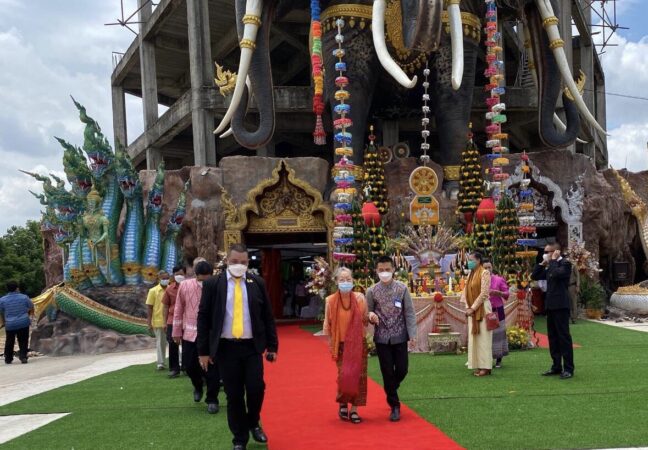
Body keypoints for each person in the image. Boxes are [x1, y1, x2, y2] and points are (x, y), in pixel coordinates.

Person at [197, 244, 278, 450]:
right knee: (233, 394)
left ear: (248, 262)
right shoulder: (213, 284)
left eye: (243, 262)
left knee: (256, 388)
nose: (238, 265)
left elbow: (267, 316)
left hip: (252, 346)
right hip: (226, 348)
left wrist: (272, 346)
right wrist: (204, 352)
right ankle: (239, 439)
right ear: (227, 261)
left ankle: (253, 422)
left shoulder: (256, 282)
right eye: (234, 262)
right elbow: (204, 317)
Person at [366, 255, 416, 422]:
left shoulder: (402, 289)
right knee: (387, 371)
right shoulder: (371, 291)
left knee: (402, 369)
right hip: (382, 338)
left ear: (393, 270)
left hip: (400, 335)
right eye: (381, 270)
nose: (384, 273)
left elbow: (409, 312)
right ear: (376, 271)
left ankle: (390, 388)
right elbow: (368, 312)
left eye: (387, 269)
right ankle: (395, 405)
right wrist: (371, 315)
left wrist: (413, 334)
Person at [173, 260, 221, 413]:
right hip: (190, 333)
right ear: (195, 275)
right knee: (189, 366)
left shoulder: (218, 286)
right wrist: (176, 331)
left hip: (211, 334)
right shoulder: (185, 286)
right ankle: (198, 386)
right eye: (201, 280)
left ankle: (212, 399)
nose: (203, 283)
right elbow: (179, 308)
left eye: (206, 280)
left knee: (213, 370)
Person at [324, 267, 368, 424]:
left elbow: (365, 320)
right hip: (340, 344)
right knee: (344, 376)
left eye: (348, 279)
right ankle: (343, 402)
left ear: (353, 280)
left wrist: (371, 317)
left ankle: (354, 409)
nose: (345, 282)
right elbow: (327, 327)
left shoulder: (360, 298)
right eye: (342, 280)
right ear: (336, 282)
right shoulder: (330, 301)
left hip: (357, 344)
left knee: (359, 377)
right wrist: (332, 346)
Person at [531, 243, 575, 379]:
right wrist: (543, 262)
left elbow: (556, 274)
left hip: (561, 305)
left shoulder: (565, 264)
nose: (545, 253)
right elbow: (535, 275)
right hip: (550, 306)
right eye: (544, 252)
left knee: (563, 337)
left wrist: (554, 260)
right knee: (553, 337)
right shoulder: (550, 265)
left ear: (556, 252)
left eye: (547, 252)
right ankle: (556, 366)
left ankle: (568, 368)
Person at [460, 252, 493, 377]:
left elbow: (484, 293)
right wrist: (467, 307)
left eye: (471, 259)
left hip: (482, 309)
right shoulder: (471, 274)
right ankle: (479, 365)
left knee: (484, 339)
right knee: (476, 339)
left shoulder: (485, 273)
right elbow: (466, 292)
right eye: (468, 259)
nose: (469, 261)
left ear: (478, 260)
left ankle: (486, 366)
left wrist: (472, 308)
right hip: (472, 310)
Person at [483, 261, 509, 368]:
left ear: (492, 268)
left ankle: (499, 360)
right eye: (485, 268)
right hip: (484, 310)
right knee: (485, 335)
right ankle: (485, 359)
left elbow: (507, 293)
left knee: (498, 334)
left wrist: (499, 293)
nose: (488, 269)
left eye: (489, 267)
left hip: (497, 310)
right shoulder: (480, 281)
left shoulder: (499, 279)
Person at [0, 281, 34, 364]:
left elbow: (1, 310)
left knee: (9, 341)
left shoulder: (2, 300)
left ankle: (8, 358)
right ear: (17, 288)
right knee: (23, 340)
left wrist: (4, 321)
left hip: (10, 324)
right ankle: (23, 357)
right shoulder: (24, 297)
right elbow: (31, 306)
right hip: (23, 322)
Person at [163, 265, 186, 378]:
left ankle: (186, 367)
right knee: (173, 344)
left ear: (185, 274)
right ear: (173, 275)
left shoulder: (189, 287)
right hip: (172, 320)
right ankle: (174, 369)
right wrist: (164, 322)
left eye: (181, 274)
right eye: (177, 274)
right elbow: (166, 306)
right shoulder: (169, 289)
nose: (179, 276)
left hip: (186, 319)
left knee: (188, 343)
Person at [146, 271, 170, 370]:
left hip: (171, 320)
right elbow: (149, 307)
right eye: (163, 278)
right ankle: (160, 363)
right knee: (160, 343)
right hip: (158, 321)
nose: (165, 280)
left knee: (175, 342)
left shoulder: (172, 289)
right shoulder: (153, 291)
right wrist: (149, 322)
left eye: (167, 278)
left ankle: (180, 362)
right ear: (158, 279)